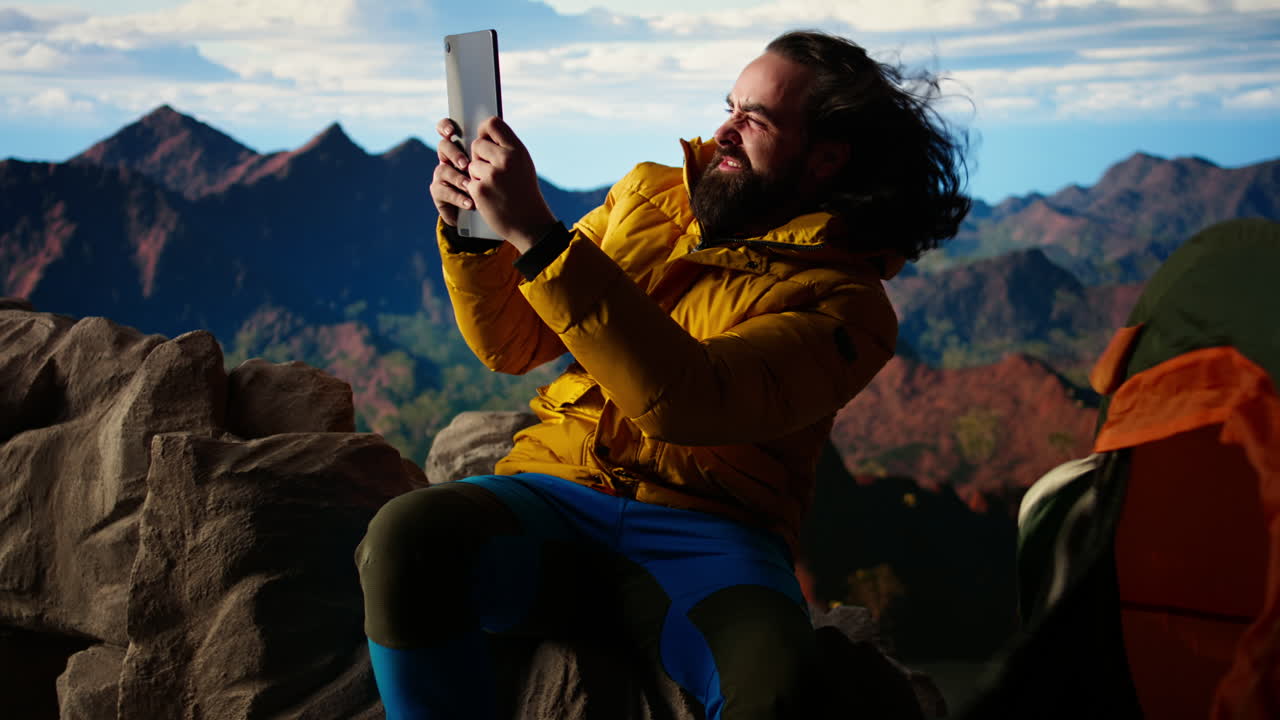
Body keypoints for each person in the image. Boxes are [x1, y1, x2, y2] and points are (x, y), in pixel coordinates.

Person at [356, 29, 970, 720]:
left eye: (756, 120)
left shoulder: (848, 307)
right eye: (730, 107)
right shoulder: (647, 195)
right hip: (558, 491)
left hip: (713, 536)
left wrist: (540, 237)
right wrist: (473, 236)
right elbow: (513, 343)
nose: (724, 131)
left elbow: (691, 400)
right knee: (404, 539)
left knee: (779, 687)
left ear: (826, 157)